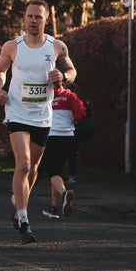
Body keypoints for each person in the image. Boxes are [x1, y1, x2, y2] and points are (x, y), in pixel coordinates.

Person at [0, 0, 77, 244]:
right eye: (29, 16)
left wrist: (62, 75)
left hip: (42, 116)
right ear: (23, 18)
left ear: (47, 20)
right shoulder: (12, 46)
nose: (33, 20)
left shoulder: (57, 47)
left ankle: (17, 203)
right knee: (24, 165)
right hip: (17, 113)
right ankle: (23, 220)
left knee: (33, 171)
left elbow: (72, 71)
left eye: (38, 17)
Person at [41, 82, 86, 219]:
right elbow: (81, 113)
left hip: (51, 135)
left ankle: (64, 194)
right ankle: (53, 208)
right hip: (68, 137)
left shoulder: (46, 95)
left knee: (52, 174)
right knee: (57, 172)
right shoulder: (70, 96)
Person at [67, 97, 95, 183]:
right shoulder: (80, 101)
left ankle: (71, 174)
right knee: (73, 152)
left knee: (71, 152)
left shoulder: (69, 100)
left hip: (73, 130)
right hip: (79, 130)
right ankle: (72, 175)